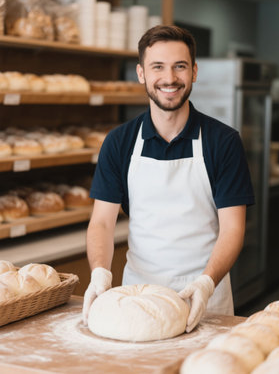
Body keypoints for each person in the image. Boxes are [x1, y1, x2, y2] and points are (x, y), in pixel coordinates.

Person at [82, 25, 254, 332]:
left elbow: (233, 228)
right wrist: (99, 273)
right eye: (157, 67)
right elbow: (102, 223)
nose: (170, 78)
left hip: (205, 299)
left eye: (180, 66)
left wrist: (205, 283)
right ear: (141, 73)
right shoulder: (119, 142)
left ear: (194, 72)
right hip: (137, 300)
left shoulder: (223, 142)